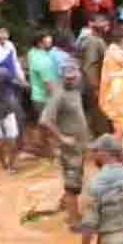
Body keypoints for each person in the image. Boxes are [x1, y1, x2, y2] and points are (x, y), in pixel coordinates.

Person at [40, 65, 90, 229]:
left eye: (73, 77)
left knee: (76, 179)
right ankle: (74, 221)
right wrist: (61, 138)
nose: (71, 80)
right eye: (67, 78)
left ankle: (66, 205)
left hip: (79, 146)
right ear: (62, 77)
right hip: (70, 149)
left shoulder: (76, 90)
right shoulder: (59, 95)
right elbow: (45, 121)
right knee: (72, 184)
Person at [0, 28, 29, 152]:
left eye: (5, 34)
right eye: (0, 34)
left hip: (14, 84)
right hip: (1, 87)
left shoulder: (10, 45)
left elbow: (15, 63)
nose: (3, 37)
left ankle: (20, 143)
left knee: (18, 115)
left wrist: (22, 79)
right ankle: (13, 145)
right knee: (13, 115)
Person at [27, 31, 60, 155]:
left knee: (42, 123)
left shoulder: (32, 53)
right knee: (49, 123)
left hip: (36, 95)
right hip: (44, 97)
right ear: (40, 43)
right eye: (48, 40)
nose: (51, 40)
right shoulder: (43, 62)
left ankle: (41, 146)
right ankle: (50, 148)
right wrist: (57, 97)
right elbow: (49, 84)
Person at [77, 15, 111, 132]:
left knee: (94, 111)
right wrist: (95, 87)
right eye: (102, 21)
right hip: (94, 84)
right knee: (98, 111)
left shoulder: (96, 39)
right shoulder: (92, 41)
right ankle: (99, 134)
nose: (106, 24)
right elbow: (89, 66)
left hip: (97, 82)